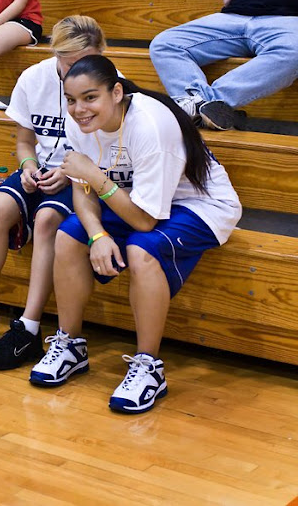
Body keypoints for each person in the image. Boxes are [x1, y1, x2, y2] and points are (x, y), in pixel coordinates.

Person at [28, 55, 241, 414]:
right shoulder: (80, 121)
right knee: (69, 236)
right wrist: (97, 235)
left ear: (116, 92)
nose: (79, 109)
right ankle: (71, 346)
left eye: (90, 98)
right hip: (135, 200)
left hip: (199, 205)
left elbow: (142, 221)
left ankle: (148, 368)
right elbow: (83, 190)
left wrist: (96, 178)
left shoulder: (151, 125)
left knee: (143, 249)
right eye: (71, 99)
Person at [0, 16, 107, 371]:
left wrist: (68, 174)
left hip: (82, 180)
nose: (77, 70)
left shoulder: (111, 85)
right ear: (56, 55)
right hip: (39, 172)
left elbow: (108, 155)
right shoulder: (34, 78)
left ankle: (29, 328)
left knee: (48, 218)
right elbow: (23, 141)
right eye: (69, 63)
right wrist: (28, 166)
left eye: (87, 61)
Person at [149, 0, 298, 130]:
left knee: (293, 51)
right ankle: (206, 109)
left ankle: (203, 104)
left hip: (288, 18)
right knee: (165, 43)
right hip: (233, 16)